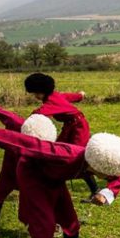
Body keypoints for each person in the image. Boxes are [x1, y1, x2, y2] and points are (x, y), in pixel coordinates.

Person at [0, 107, 56, 238]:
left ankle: (52, 223)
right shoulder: (16, 124)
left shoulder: (46, 139)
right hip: (9, 173)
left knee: (38, 200)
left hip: (29, 174)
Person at [25, 73, 104, 203]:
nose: (35, 96)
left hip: (78, 128)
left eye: (36, 93)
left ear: (43, 90)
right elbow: (68, 97)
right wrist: (80, 96)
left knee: (79, 158)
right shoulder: (54, 95)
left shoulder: (51, 101)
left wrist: (24, 122)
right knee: (57, 153)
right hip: (70, 127)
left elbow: (39, 113)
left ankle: (96, 190)